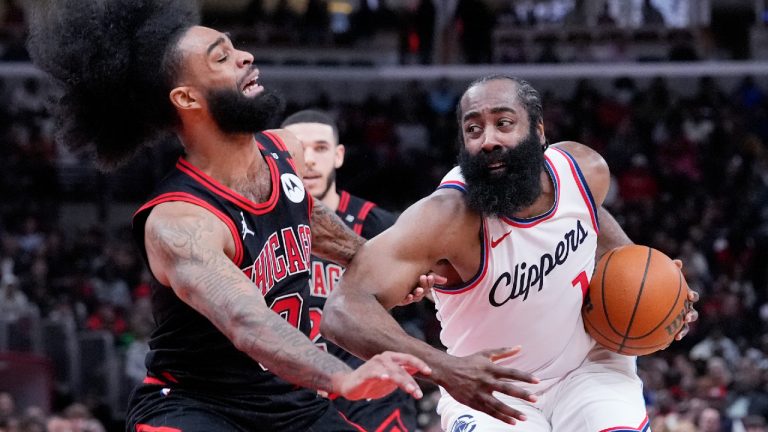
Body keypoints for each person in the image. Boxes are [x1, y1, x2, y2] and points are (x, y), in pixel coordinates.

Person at [26, 1, 435, 431]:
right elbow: (247, 321)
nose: (245, 56)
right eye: (221, 57)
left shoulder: (284, 152)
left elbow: (307, 218)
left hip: (289, 401)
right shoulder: (178, 221)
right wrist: (342, 376)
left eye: (235, 48)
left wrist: (380, 264)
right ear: (186, 97)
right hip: (197, 405)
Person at [322, 75, 700, 430]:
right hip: (488, 389)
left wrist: (659, 288)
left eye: (504, 123)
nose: (488, 140)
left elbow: (591, 217)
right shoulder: (445, 216)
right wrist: (444, 368)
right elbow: (342, 310)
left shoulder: (585, 171)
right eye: (473, 129)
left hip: (591, 368)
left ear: (538, 132)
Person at [282, 109, 420, 431]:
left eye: (320, 148)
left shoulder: (377, 223)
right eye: (299, 151)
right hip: (292, 392)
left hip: (372, 393)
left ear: (339, 155)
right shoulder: (258, 224)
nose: (310, 161)